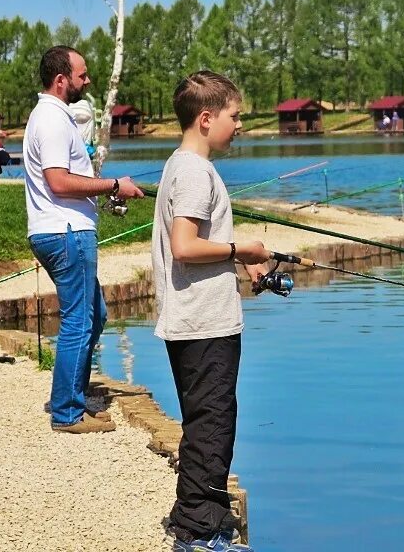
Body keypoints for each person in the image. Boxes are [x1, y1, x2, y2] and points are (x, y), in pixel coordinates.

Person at [152, 71, 270, 552]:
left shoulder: (180, 164)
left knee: (208, 420)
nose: (239, 125)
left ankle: (200, 519)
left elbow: (196, 244)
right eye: (234, 115)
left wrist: (242, 263)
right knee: (212, 423)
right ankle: (199, 533)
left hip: (194, 318)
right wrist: (243, 249)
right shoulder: (197, 171)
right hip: (203, 323)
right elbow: (185, 246)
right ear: (206, 118)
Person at [23, 45, 144, 434]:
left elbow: (62, 181)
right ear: (61, 80)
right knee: (79, 320)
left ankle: (74, 395)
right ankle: (67, 413)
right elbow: (58, 181)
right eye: (82, 74)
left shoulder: (51, 117)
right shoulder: (54, 121)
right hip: (66, 233)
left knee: (98, 316)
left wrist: (104, 193)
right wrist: (113, 184)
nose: (87, 80)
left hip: (62, 228)